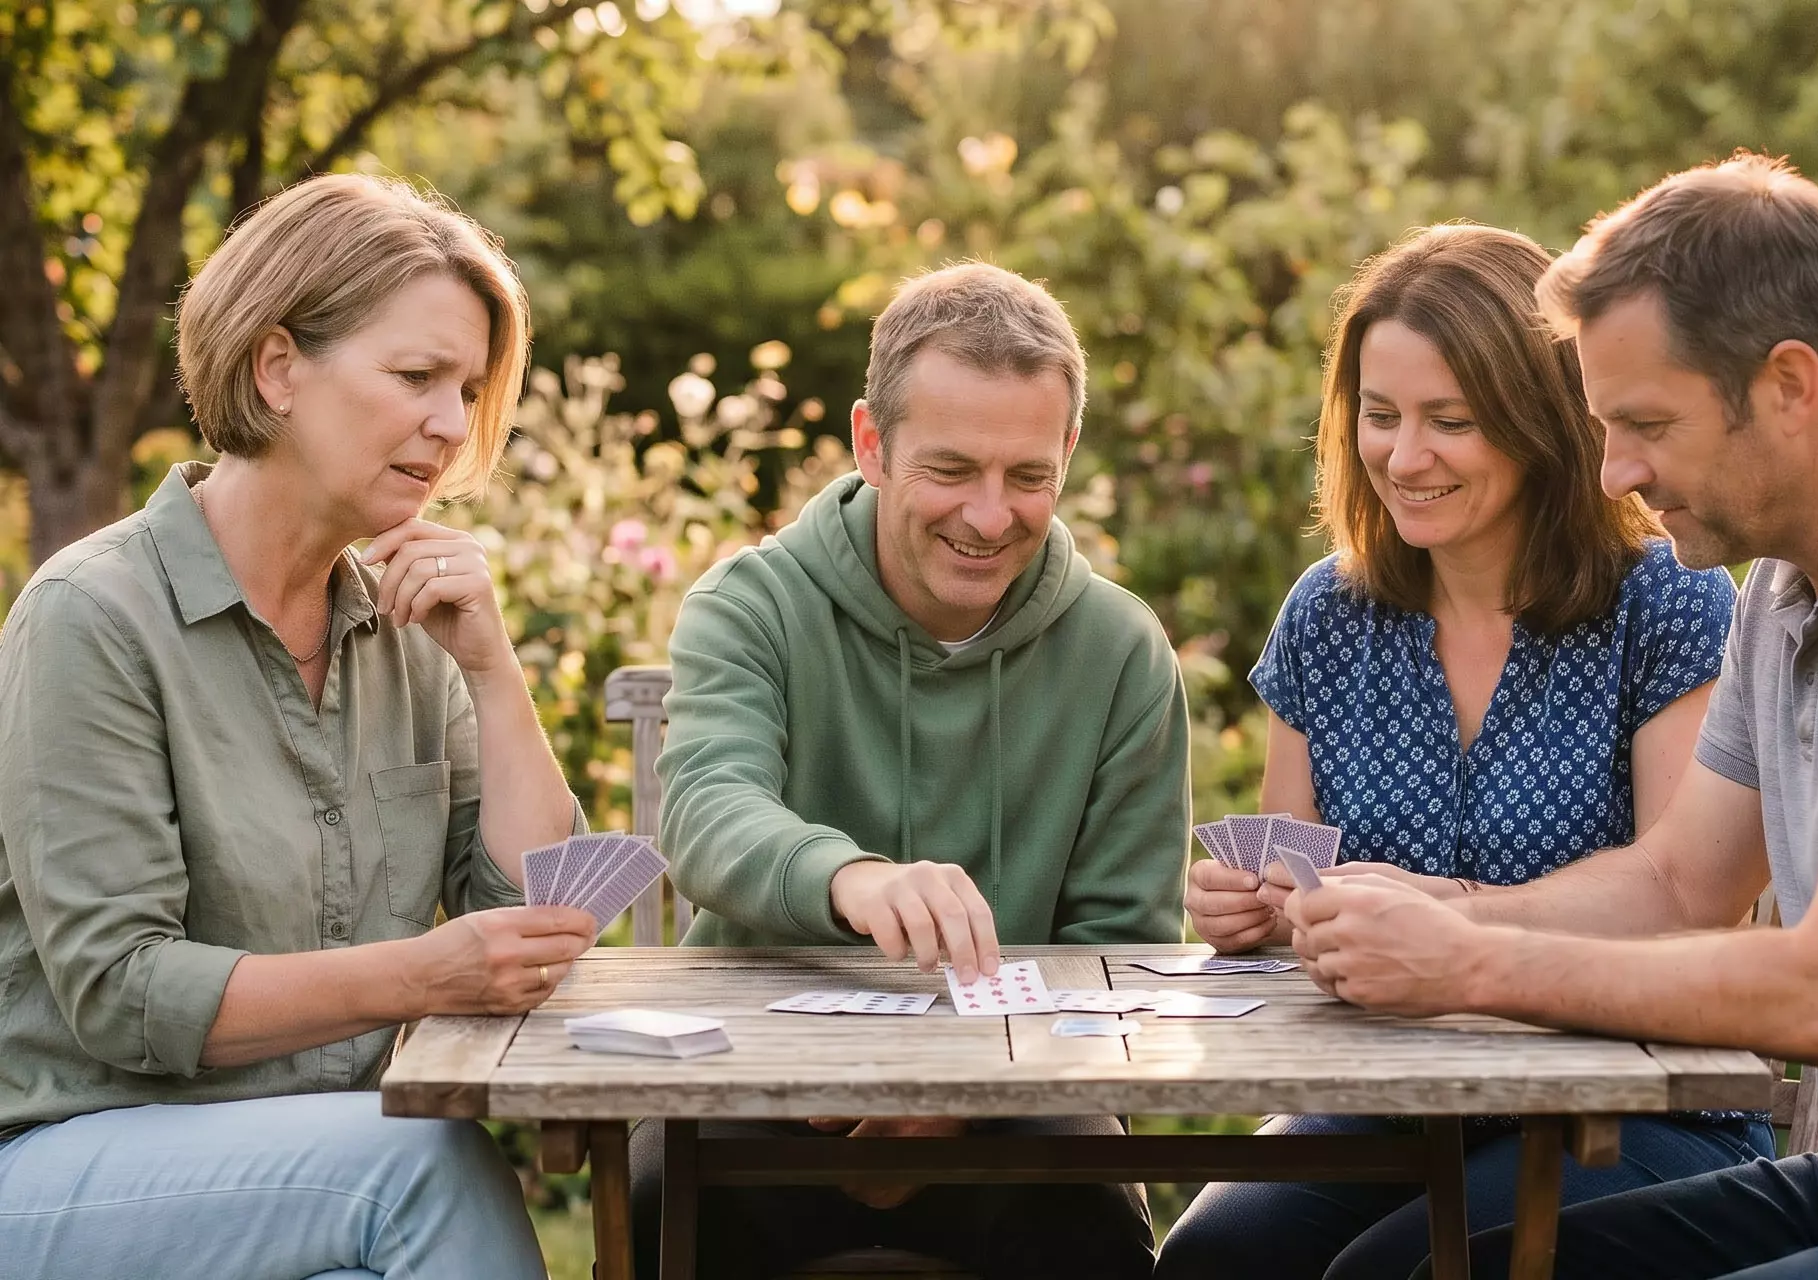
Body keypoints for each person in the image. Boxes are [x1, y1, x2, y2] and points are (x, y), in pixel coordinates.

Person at [1281, 155, 1818, 1279]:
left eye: (1647, 424)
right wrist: (1452, 914)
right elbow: (1680, 881)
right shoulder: (1782, 590)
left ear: (1789, 384)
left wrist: (1475, 966)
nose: (1616, 468)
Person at [0, 174, 596, 1279]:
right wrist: (422, 974)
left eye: (467, 388)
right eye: (417, 376)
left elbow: (535, 916)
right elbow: (122, 992)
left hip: (312, 1175)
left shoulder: (412, 629)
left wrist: (493, 667)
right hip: (64, 1157)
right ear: (278, 368)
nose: (450, 424)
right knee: (426, 1164)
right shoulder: (93, 616)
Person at [1160, 224, 1774, 1280]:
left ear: (1540, 421)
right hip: (1387, 1093)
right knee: (1214, 1256)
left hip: (1628, 1099)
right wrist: (1248, 912)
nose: (1404, 456)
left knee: (1407, 1269)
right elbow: (1290, 882)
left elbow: (1696, 905)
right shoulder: (1329, 615)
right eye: (1381, 416)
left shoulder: (1665, 601)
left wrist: (1454, 918)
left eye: (1450, 420)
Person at [628, 262, 1189, 1279]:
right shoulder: (751, 605)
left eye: (1028, 476)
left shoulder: (1120, 649)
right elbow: (708, 811)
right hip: (762, 1078)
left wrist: (964, 1088)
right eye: (951, 469)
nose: (988, 515)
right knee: (663, 1187)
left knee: (1093, 1208)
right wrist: (858, 878)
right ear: (871, 444)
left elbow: (1127, 944)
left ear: (1067, 451)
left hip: (1017, 1098)